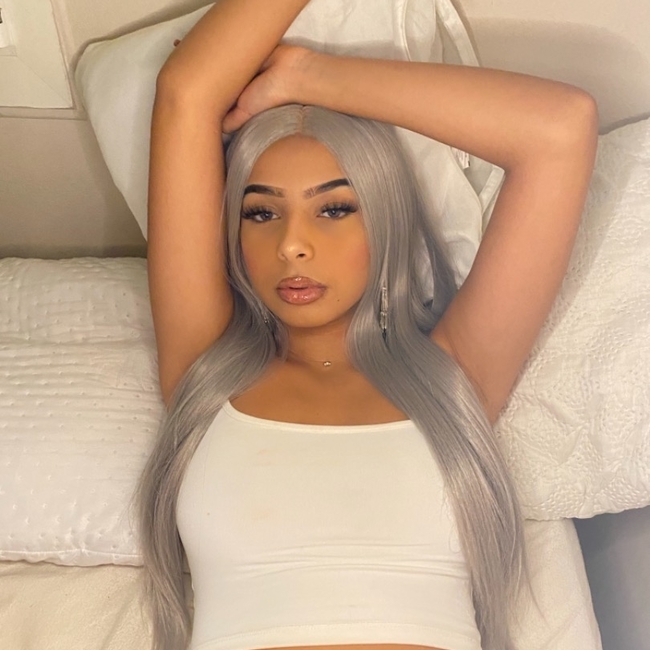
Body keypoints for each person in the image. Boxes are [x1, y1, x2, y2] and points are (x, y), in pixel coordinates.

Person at [136, 1, 598, 650]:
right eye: (262, 214)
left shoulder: (451, 380)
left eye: (334, 209)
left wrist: (307, 77)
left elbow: (560, 129)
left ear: (383, 217)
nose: (292, 246)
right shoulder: (205, 373)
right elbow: (186, 92)